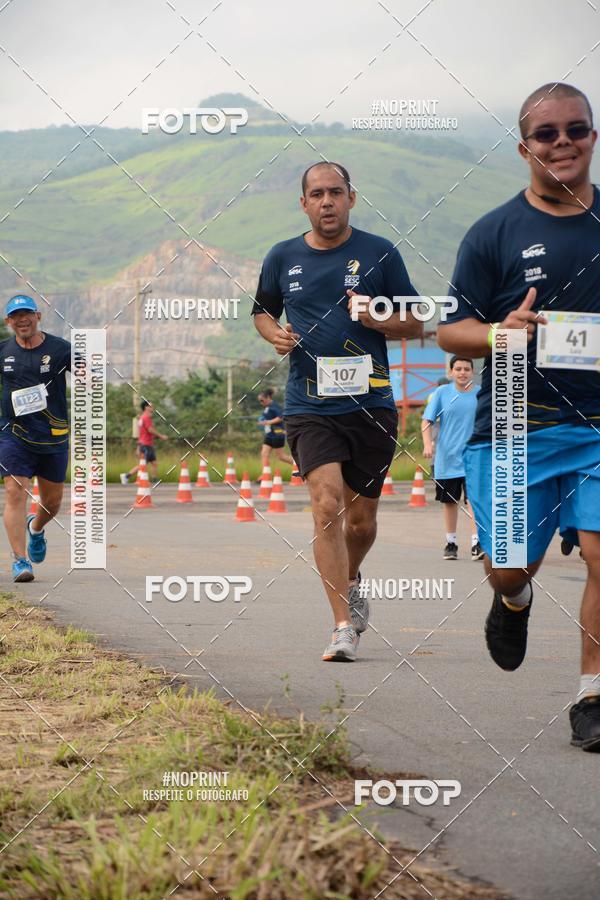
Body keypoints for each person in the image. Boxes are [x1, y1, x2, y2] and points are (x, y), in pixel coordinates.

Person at [437, 83, 600, 751]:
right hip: (514, 424)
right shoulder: (493, 232)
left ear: (593, 136)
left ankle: (592, 694)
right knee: (509, 567)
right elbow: (452, 334)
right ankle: (513, 601)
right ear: (523, 147)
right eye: (547, 134)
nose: (562, 142)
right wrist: (503, 333)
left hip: (596, 426)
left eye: (576, 130)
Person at [253, 161, 422, 661]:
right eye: (317, 194)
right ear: (303, 203)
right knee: (326, 506)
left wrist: (380, 316)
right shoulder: (282, 256)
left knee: (361, 523)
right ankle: (341, 627)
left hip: (370, 402)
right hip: (308, 404)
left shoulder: (379, 252)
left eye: (335, 192)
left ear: (351, 197)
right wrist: (275, 335)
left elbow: (415, 322)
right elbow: (263, 310)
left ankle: (351, 576)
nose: (327, 201)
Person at [0, 295, 71, 582]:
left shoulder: (60, 348)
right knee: (15, 491)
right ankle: (20, 561)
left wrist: (87, 371)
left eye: (27, 314)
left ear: (38, 316)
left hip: (53, 436)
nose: (22, 320)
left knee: (52, 503)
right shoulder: (3, 351)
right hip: (13, 434)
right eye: (16, 316)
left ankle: (37, 528)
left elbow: (86, 370)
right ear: (9, 322)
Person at [421, 357, 483, 560]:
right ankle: (451, 542)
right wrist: (428, 444)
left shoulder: (480, 393)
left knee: (473, 500)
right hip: (447, 458)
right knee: (450, 502)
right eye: (458, 369)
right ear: (451, 372)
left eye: (466, 369)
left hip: (474, 457)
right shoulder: (442, 393)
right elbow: (427, 421)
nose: (462, 372)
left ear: (473, 372)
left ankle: (477, 543)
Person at [121, 400, 167, 484]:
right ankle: (126, 476)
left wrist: (138, 446)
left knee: (154, 463)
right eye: (150, 406)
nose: (152, 407)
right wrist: (161, 436)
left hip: (145, 443)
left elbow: (141, 433)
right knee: (143, 464)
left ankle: (154, 479)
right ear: (146, 407)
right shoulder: (146, 418)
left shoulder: (142, 418)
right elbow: (150, 430)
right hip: (146, 444)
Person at [257, 388, 294, 470]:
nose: (261, 403)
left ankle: (298, 465)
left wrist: (268, 422)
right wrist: (262, 421)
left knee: (281, 456)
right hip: (269, 434)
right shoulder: (267, 407)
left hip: (277, 434)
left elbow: (281, 417)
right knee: (264, 453)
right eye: (259, 401)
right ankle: (266, 474)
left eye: (262, 400)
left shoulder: (275, 406)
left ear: (268, 398)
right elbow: (267, 418)